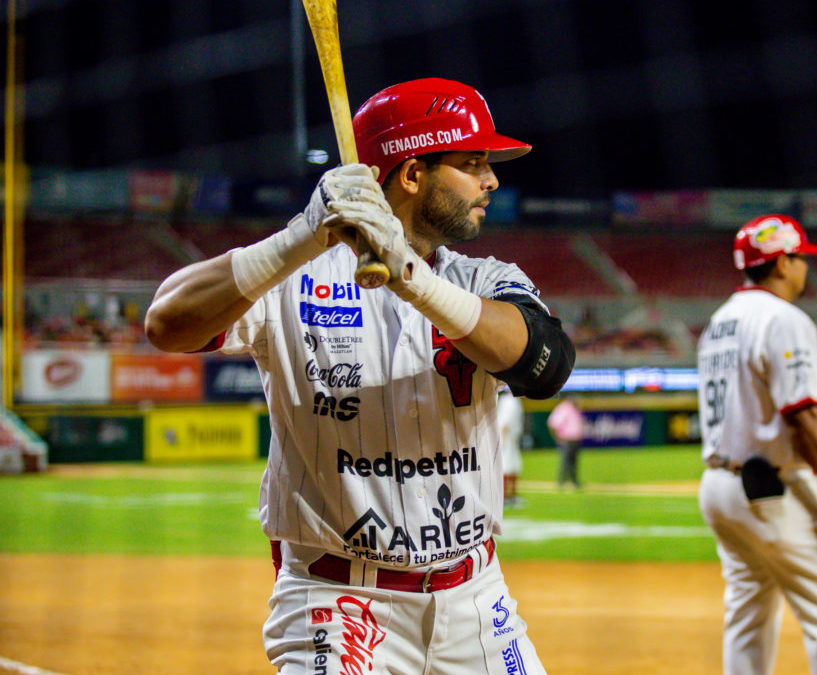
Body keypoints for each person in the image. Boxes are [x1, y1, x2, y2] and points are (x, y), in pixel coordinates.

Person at [143, 78, 574, 675]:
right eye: (472, 163)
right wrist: (299, 236)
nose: (491, 180)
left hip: (477, 599)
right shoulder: (294, 278)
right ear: (412, 173)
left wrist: (408, 276)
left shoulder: (483, 279)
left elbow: (545, 363)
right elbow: (166, 323)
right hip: (338, 601)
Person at [696, 214, 817, 675]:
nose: (805, 267)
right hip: (771, 486)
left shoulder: (719, 322)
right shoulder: (784, 319)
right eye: (799, 257)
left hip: (719, 486)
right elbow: (804, 417)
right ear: (782, 264)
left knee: (748, 615)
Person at [547, 394, 585, 489]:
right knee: (566, 460)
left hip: (575, 439)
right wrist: (557, 437)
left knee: (574, 461)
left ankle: (574, 481)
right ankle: (562, 481)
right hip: (567, 439)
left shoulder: (575, 408)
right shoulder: (563, 408)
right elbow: (553, 423)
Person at [497, 386, 526, 507]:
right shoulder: (510, 401)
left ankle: (511, 496)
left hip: (511, 438)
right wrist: (502, 441)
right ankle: (504, 497)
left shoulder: (511, 400)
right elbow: (504, 422)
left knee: (513, 466)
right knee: (506, 467)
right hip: (507, 438)